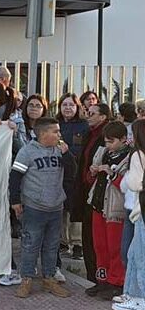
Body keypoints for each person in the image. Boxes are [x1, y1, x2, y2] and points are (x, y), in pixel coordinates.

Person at [10, 117, 75, 298]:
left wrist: (67, 154)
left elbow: (72, 172)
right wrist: (15, 201)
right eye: (55, 131)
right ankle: (27, 279)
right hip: (34, 207)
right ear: (43, 133)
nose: (59, 134)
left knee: (52, 245)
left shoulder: (59, 150)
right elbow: (15, 177)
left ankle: (49, 278)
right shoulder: (27, 152)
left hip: (55, 207)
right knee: (30, 244)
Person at [85, 121, 131, 299]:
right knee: (100, 246)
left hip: (115, 208)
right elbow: (89, 179)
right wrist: (93, 172)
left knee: (115, 247)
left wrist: (113, 174)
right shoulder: (103, 152)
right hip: (98, 203)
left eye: (111, 142)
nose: (108, 146)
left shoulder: (130, 157)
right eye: (106, 142)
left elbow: (129, 185)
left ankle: (116, 282)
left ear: (123, 139)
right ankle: (102, 280)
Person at [73, 103, 113, 287]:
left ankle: (100, 278)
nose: (87, 115)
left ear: (103, 116)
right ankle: (93, 277)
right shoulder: (90, 133)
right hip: (86, 190)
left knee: (96, 240)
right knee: (88, 237)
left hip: (99, 193)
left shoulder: (106, 135)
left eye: (92, 113)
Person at [113, 120, 145, 310]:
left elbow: (133, 182)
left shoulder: (137, 155)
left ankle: (141, 299)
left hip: (141, 209)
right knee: (134, 252)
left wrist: (126, 179)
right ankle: (134, 296)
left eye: (132, 133)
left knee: (140, 255)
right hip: (139, 210)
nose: (129, 137)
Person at [56, 93, 88, 260]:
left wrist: (69, 152)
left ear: (77, 107)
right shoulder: (56, 124)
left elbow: (84, 149)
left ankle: (77, 244)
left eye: (71, 105)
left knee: (74, 208)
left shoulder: (84, 126)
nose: (67, 108)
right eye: (64, 105)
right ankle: (62, 241)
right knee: (60, 207)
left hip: (76, 172)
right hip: (57, 171)